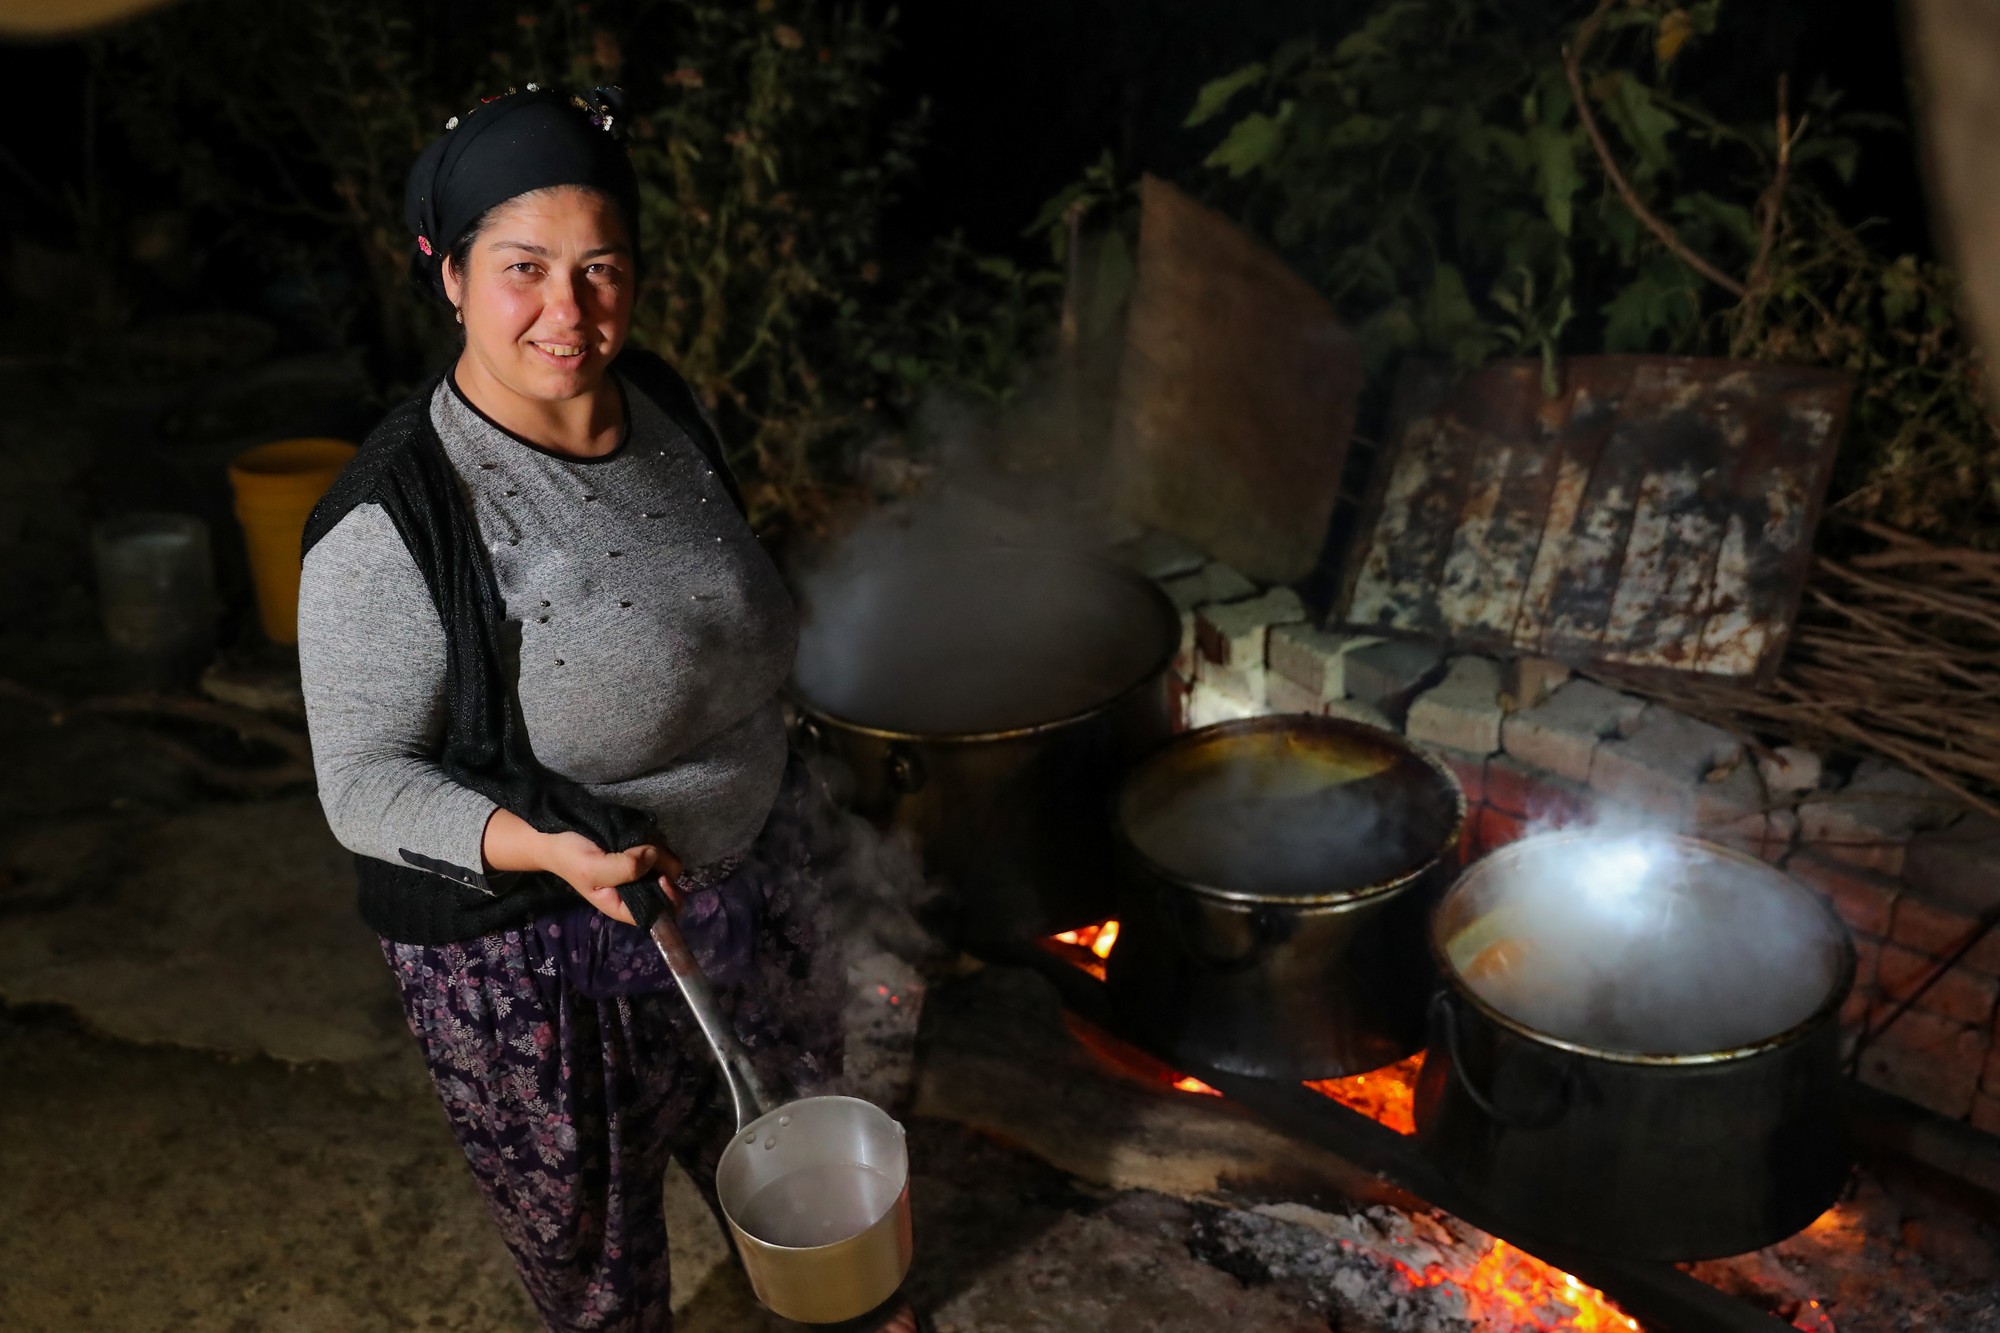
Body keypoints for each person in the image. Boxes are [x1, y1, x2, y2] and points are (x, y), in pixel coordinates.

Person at [296, 86, 915, 1333]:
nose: (569, 314)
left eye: (601, 269)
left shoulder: (664, 404)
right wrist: (546, 849)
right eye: (523, 269)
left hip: (750, 877)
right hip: (538, 955)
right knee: (600, 1270)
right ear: (451, 274)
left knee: (805, 1175)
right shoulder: (398, 516)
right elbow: (361, 782)